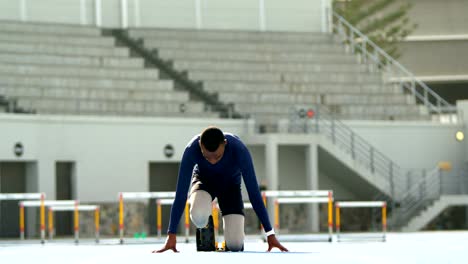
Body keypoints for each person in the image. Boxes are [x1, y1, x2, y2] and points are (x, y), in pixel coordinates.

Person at [154, 126, 288, 253]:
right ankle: (205, 226)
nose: (212, 161)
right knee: (199, 216)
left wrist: (270, 233)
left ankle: (232, 237)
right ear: (200, 144)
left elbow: (254, 194)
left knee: (235, 245)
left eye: (217, 157)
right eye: (207, 157)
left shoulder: (239, 149)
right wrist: (171, 234)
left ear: (225, 143)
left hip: (230, 186)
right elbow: (181, 194)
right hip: (204, 183)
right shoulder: (191, 149)